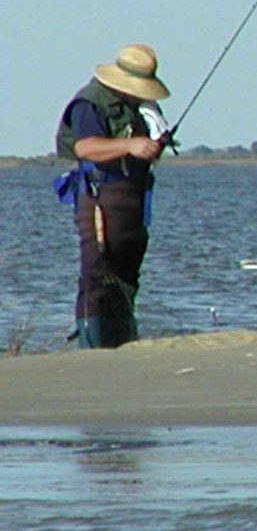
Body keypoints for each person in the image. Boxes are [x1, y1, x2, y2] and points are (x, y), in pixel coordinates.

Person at [54, 44, 171, 348]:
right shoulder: (90, 103)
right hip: (99, 198)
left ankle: (122, 339)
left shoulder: (140, 107)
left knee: (126, 274)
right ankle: (93, 345)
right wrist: (130, 146)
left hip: (133, 200)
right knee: (97, 273)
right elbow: (85, 148)